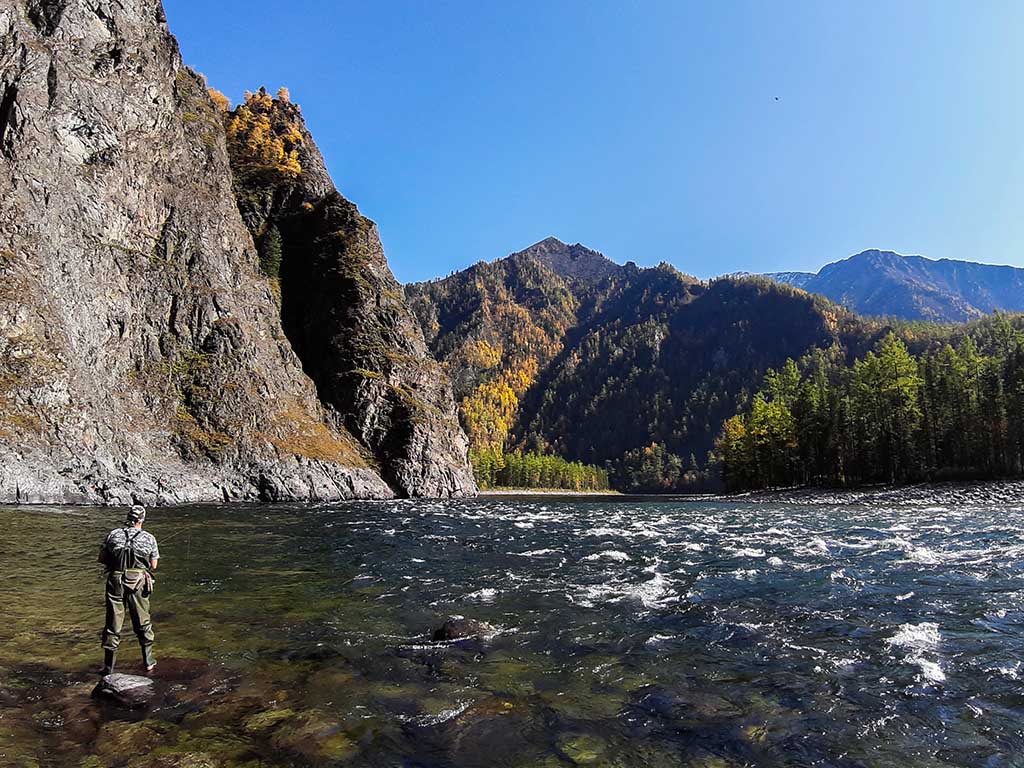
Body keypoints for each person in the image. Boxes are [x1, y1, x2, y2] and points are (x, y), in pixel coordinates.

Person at [97, 504, 160, 675]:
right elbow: (153, 565)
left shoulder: (113, 534)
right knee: (142, 622)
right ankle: (148, 662)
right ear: (142, 520)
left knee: (113, 624)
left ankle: (108, 668)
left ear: (128, 518)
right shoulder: (149, 538)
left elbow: (101, 558)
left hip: (115, 582)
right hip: (138, 583)